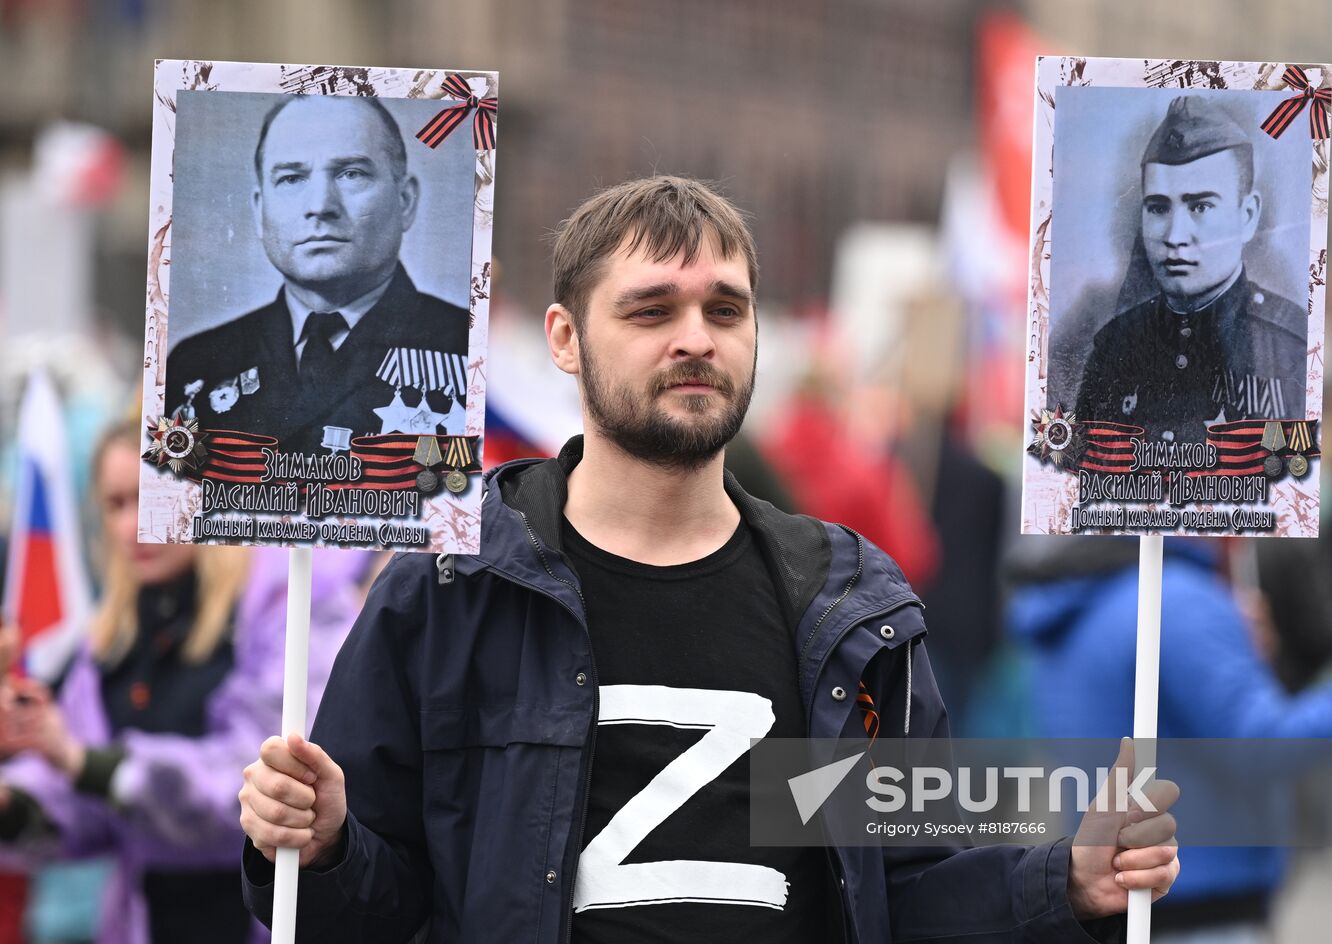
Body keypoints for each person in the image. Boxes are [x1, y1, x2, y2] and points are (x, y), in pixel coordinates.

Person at [238, 176, 1179, 943]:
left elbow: (903, 897)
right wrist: (319, 848)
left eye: (725, 308)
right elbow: (375, 907)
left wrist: (1066, 882)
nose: (697, 337)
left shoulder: (847, 609)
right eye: (652, 311)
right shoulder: (451, 587)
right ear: (564, 338)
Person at [0, 417, 369, 944]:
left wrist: (86, 763)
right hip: (147, 921)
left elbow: (264, 786)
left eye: (150, 496)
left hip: (269, 918)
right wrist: (16, 802)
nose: (133, 525)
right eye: (115, 504)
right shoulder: (111, 638)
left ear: (202, 494)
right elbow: (87, 805)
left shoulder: (290, 608)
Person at [1006, 535, 1332, 943]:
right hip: (1195, 893)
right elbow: (1264, 745)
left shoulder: (1084, 598)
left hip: (1124, 890)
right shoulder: (1180, 602)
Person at [165, 95, 473, 456]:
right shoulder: (196, 364)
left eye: (352, 173)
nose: (320, 206)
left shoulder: (467, 352)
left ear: (405, 201)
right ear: (260, 208)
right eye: (292, 178)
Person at [1073, 95, 1307, 444]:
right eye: (1157, 208)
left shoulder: (1293, 346)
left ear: (1247, 216)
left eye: (1200, 206)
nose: (1175, 236)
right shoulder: (1113, 348)